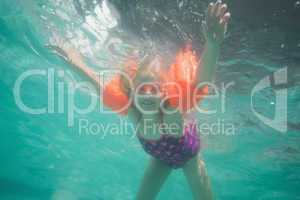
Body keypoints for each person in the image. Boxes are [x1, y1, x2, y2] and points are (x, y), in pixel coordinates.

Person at [50, 1, 230, 199]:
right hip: (161, 158)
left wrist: (213, 45)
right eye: (142, 88)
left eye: (155, 89)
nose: (148, 93)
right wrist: (73, 61)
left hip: (189, 156)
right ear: (132, 90)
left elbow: (201, 82)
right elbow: (94, 82)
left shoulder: (172, 109)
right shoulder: (132, 111)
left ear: (164, 93)